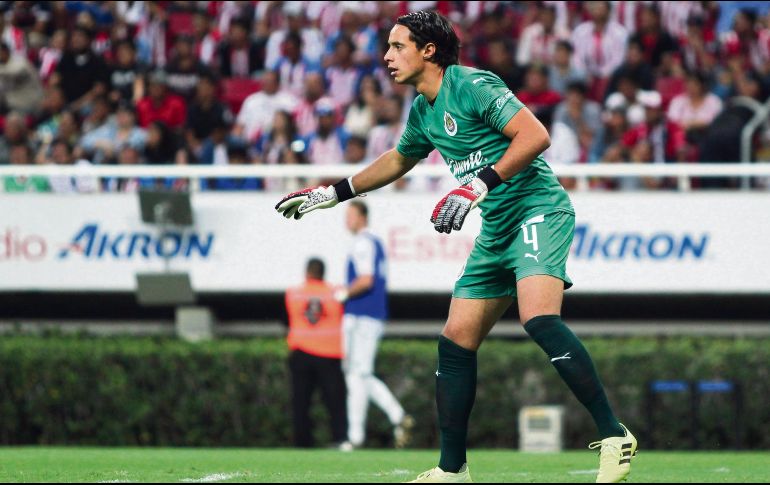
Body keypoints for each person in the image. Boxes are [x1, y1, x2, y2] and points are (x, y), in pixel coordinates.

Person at [275, 11, 637, 483]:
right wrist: (330, 194)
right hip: (496, 228)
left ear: (428, 50)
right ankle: (452, 470)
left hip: (538, 209)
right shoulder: (424, 110)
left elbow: (536, 136)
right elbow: (397, 159)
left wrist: (476, 187)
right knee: (455, 341)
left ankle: (615, 436)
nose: (386, 56)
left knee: (539, 318)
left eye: (397, 45)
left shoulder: (472, 84)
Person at [336, 200, 413, 450]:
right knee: (360, 375)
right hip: (370, 315)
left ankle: (356, 436)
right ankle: (396, 417)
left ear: (362, 217)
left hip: (362, 315)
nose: (346, 220)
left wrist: (344, 293)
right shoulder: (374, 243)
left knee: (356, 375)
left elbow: (366, 279)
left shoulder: (362, 243)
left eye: (350, 215)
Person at [285, 258, 349, 449]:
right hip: (329, 354)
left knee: (301, 402)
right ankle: (340, 439)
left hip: (301, 352)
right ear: (323, 273)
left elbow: (286, 319)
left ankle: (302, 443)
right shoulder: (335, 293)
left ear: (307, 272)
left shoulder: (293, 293)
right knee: (335, 401)